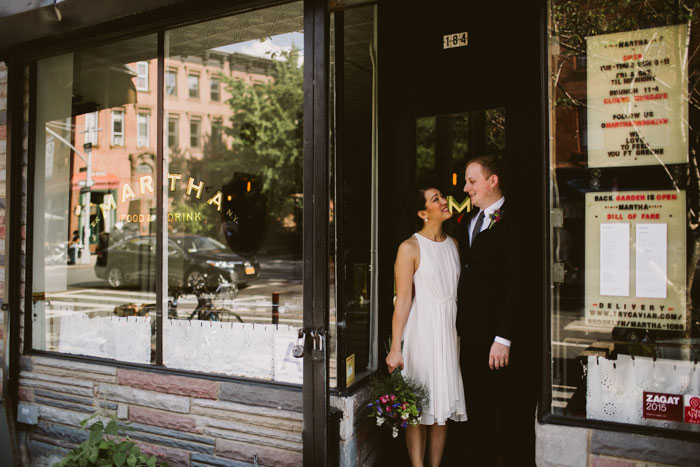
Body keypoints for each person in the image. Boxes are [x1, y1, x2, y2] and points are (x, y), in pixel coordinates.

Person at [455, 155, 535, 466]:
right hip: (471, 332)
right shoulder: (469, 220)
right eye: (466, 182)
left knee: (509, 406)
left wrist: (504, 336)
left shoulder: (514, 219)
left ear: (492, 181)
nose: (466, 188)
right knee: (477, 404)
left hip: (499, 336)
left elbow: (519, 282)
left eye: (471, 181)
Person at [386, 187, 467, 467]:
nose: (445, 201)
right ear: (423, 213)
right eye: (436, 200)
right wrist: (396, 348)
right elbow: (404, 300)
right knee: (417, 407)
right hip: (422, 333)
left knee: (443, 406)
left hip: (448, 332)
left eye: (442, 197)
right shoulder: (409, 247)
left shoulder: (454, 245)